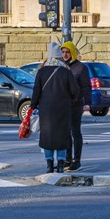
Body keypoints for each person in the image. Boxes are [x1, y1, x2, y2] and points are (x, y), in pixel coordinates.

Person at [31, 41, 78, 174]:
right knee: (62, 136)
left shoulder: (41, 71)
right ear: (59, 57)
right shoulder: (66, 72)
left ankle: (49, 164)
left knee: (47, 136)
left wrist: (33, 105)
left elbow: (36, 91)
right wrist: (72, 101)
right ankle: (61, 164)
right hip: (63, 109)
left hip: (46, 110)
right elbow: (75, 91)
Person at [60, 41, 91, 171]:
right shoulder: (61, 66)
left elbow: (86, 86)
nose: (65, 55)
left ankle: (76, 160)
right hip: (63, 104)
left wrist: (88, 103)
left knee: (75, 132)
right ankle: (67, 159)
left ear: (72, 53)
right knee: (65, 133)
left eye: (68, 52)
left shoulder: (80, 68)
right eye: (63, 52)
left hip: (76, 104)